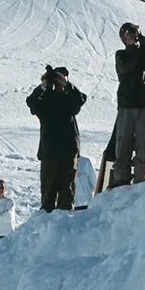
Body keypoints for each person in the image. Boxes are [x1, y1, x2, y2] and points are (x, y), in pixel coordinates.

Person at [25, 65, 87, 211]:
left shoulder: (69, 99)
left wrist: (66, 85)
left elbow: (80, 100)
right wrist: (43, 85)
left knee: (67, 193)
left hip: (68, 150)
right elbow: (31, 102)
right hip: (50, 152)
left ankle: (63, 223)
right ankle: (47, 224)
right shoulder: (46, 100)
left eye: (62, 77)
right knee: (48, 195)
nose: (59, 82)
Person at [111, 22, 145, 187]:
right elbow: (127, 67)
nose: (130, 35)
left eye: (132, 32)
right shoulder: (121, 55)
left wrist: (142, 37)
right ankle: (121, 178)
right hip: (126, 104)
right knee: (123, 142)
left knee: (144, 143)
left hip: (144, 103)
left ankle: (141, 177)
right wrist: (133, 47)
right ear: (122, 38)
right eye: (127, 33)